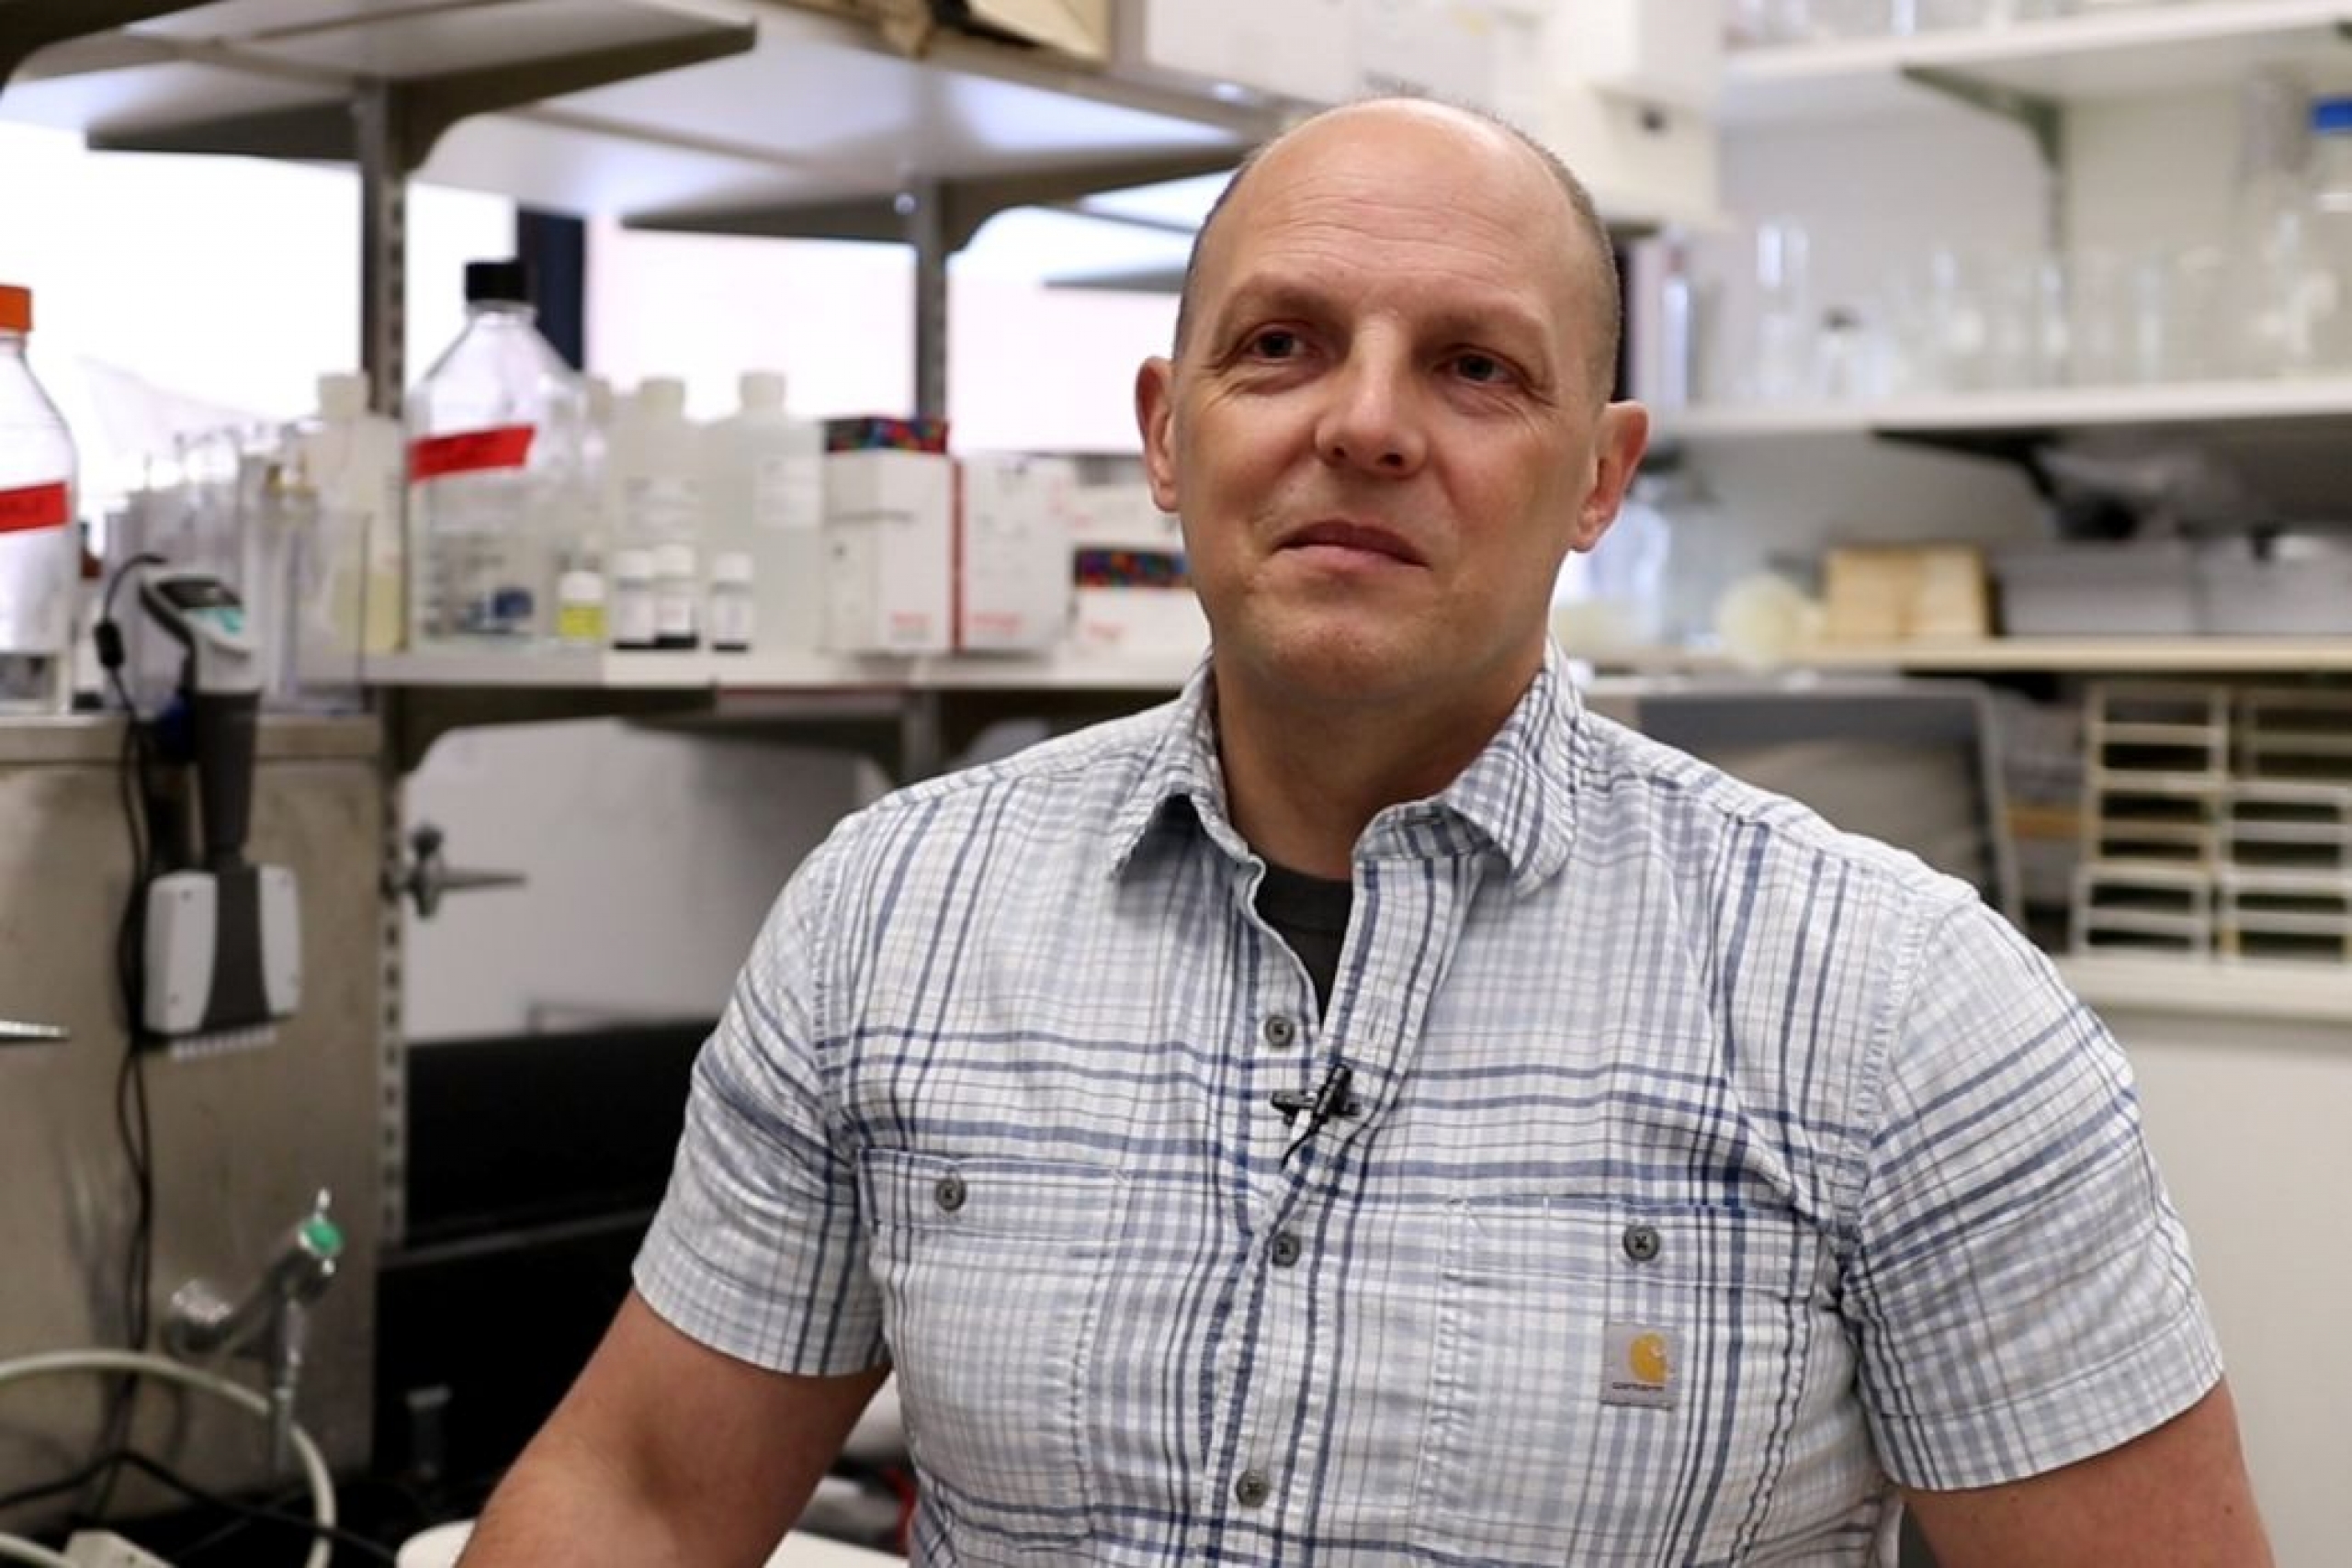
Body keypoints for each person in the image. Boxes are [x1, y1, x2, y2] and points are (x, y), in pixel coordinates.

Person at [458, 97, 2268, 1566]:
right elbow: (641, 1497)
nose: (1366, 422)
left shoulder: (1897, 1002)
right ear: (1169, 436)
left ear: (1597, 477)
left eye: (1475, 367)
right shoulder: (896, 912)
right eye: (1281, 344)